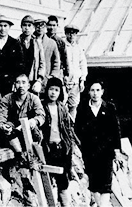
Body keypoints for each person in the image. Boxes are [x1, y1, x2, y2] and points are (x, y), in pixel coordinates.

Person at [75, 80, 122, 207]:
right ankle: (101, 205)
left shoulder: (109, 107)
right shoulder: (83, 108)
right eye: (92, 90)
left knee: (106, 182)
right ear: (89, 92)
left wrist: (117, 150)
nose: (95, 93)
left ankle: (103, 205)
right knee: (94, 183)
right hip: (90, 152)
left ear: (102, 92)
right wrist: (83, 145)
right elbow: (77, 129)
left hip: (106, 151)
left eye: (97, 90)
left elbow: (115, 130)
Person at [41, 77, 80, 207]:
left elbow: (68, 130)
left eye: (56, 90)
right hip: (47, 149)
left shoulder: (62, 108)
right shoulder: (41, 107)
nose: (53, 93)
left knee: (63, 181)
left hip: (61, 148)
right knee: (48, 180)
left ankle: (65, 204)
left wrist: (69, 146)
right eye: (51, 89)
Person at [0, 73, 45, 158]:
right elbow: (1, 115)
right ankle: (20, 155)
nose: (21, 86)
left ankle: (33, 157)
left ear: (28, 86)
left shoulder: (34, 99)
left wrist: (34, 121)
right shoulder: (7, 99)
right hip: (13, 131)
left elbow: (41, 115)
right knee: (6, 130)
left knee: (36, 132)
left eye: (24, 82)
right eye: (18, 82)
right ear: (14, 85)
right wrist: (3, 125)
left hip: (29, 131)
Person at [17, 15, 45, 95]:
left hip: (33, 81)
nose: (27, 28)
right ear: (21, 27)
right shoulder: (16, 42)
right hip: (20, 82)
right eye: (24, 25)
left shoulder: (37, 43)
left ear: (33, 27)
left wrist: (39, 80)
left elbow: (42, 63)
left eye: (29, 25)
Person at [64, 24, 88, 120]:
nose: (71, 36)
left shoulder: (79, 48)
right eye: (69, 33)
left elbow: (83, 64)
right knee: (62, 104)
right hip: (65, 82)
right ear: (66, 34)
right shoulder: (62, 46)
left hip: (75, 83)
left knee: (73, 105)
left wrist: (82, 80)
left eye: (74, 34)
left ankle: (71, 125)